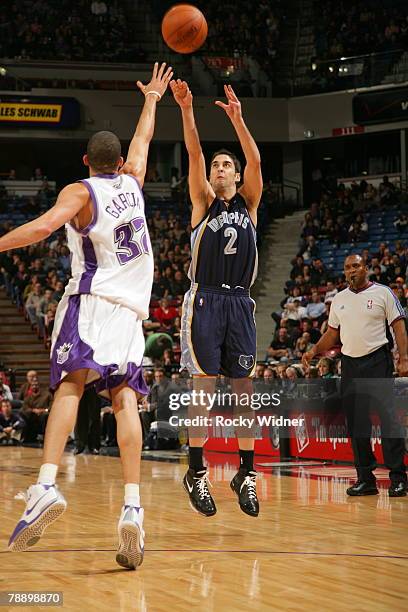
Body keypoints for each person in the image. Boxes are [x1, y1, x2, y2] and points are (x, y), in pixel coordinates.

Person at [2, 62, 173, 569]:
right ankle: (133, 507)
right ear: (119, 161)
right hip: (131, 314)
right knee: (124, 399)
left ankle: (46, 486)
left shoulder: (81, 192)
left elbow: (42, 227)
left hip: (90, 304)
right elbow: (143, 141)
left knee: (70, 388)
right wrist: (151, 100)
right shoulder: (134, 183)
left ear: (85, 160)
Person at [170, 79, 262, 517]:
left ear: (238, 174)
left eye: (228, 164)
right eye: (218, 164)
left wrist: (239, 120)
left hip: (241, 302)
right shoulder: (202, 202)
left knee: (245, 391)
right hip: (204, 301)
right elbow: (192, 152)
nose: (222, 168)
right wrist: (187, 110)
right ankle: (197, 471)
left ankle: (246, 471)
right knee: (203, 390)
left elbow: (256, 159)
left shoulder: (250, 204)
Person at [303, 254, 408, 497]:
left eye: (356, 266)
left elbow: (399, 327)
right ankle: (365, 479)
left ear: (366, 268)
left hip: (377, 361)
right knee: (357, 423)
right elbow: (332, 335)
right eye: (348, 267)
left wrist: (404, 358)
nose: (352, 271)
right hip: (349, 364)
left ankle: (398, 478)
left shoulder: (383, 293)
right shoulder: (339, 299)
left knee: (388, 419)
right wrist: (314, 350)